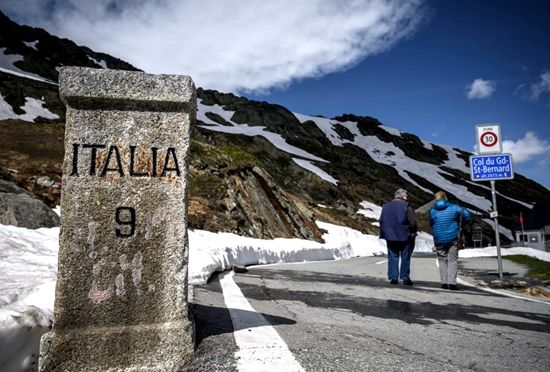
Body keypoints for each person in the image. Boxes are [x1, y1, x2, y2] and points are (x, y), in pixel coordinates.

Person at [430, 191, 471, 290]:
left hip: (439, 238)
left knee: (442, 260)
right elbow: (467, 215)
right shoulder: (454, 207)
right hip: (453, 238)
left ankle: (444, 283)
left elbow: (432, 223)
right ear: (445, 197)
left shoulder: (432, 210)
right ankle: (452, 283)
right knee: (452, 260)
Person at [379, 188, 417, 285]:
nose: (407, 197)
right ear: (403, 196)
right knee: (405, 257)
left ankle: (393, 278)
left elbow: (381, 220)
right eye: (406, 196)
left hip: (390, 235)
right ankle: (405, 278)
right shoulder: (406, 206)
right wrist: (412, 231)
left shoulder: (386, 206)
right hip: (404, 235)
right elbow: (413, 222)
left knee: (393, 256)